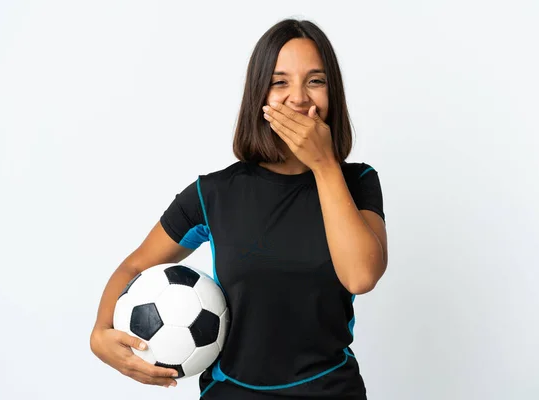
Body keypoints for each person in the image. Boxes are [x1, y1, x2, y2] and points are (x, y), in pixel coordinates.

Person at [90, 18, 388, 400]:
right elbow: (135, 266)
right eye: (280, 82)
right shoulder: (212, 193)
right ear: (259, 95)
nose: (298, 97)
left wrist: (325, 165)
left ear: (334, 94)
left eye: (315, 81)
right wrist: (101, 332)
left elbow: (361, 276)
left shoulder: (358, 181)